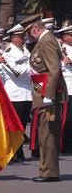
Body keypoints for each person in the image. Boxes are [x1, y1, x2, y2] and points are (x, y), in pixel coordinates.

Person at [20, 14, 68, 182]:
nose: (27, 36)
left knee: (47, 135)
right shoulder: (43, 39)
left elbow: (54, 70)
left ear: (36, 28)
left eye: (28, 32)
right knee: (45, 134)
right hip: (43, 93)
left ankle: (49, 172)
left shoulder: (46, 40)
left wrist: (48, 95)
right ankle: (48, 170)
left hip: (48, 96)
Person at [0, 24, 32, 162]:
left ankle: (18, 151)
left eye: (23, 36)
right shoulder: (9, 52)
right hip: (15, 94)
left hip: (26, 92)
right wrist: (31, 65)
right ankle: (13, 152)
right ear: (14, 38)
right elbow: (16, 73)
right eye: (21, 36)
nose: (24, 38)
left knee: (21, 126)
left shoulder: (25, 50)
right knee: (14, 126)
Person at [57, 24, 72, 153]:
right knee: (67, 118)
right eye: (70, 35)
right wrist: (64, 63)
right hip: (67, 87)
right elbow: (55, 67)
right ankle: (64, 144)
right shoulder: (61, 50)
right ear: (64, 37)